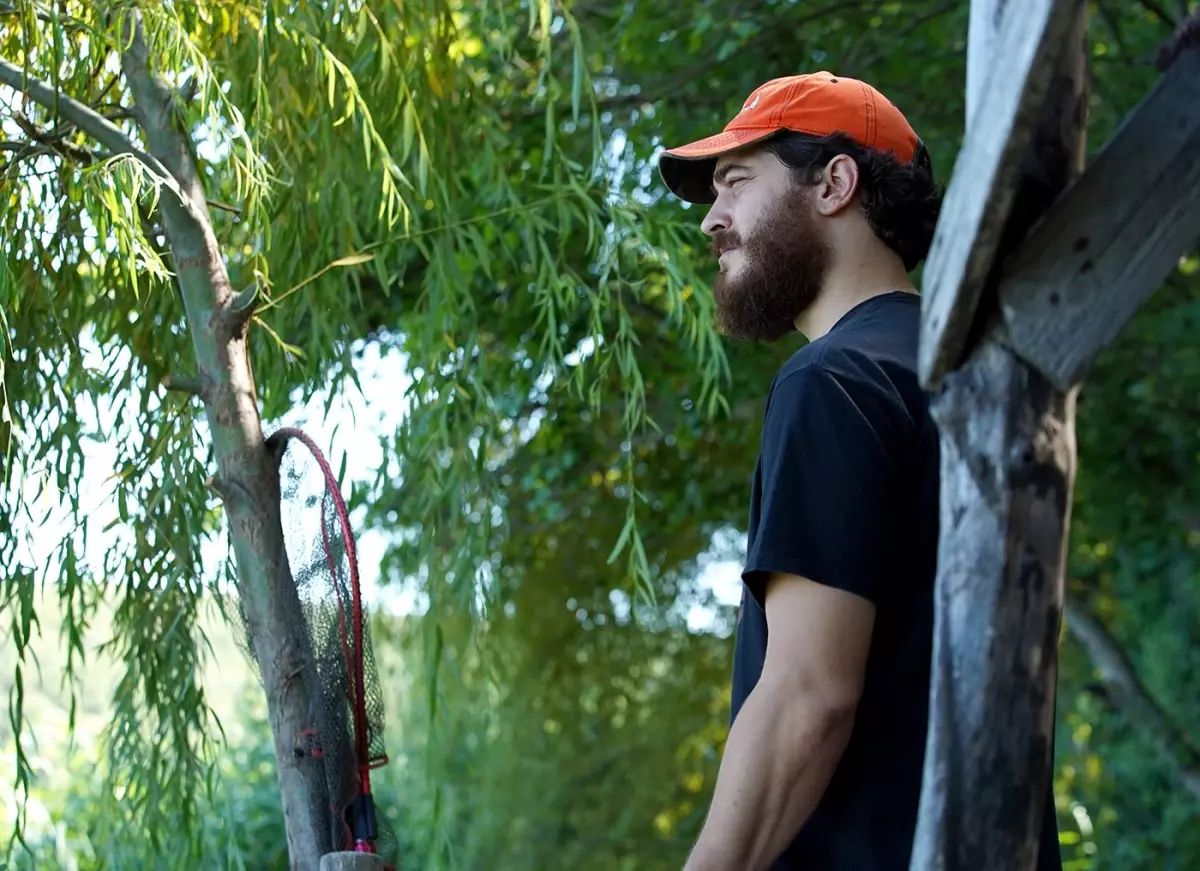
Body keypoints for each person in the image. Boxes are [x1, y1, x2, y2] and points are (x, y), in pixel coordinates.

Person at [657, 72, 1063, 871]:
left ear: (835, 183)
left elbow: (809, 695)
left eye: (736, 182)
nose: (712, 219)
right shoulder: (981, 377)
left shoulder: (833, 381)